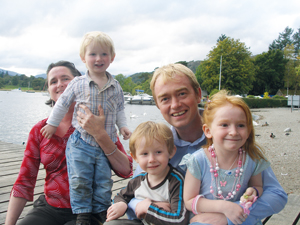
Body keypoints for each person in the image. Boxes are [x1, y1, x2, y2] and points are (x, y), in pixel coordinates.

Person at [130, 63, 287, 224]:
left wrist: (227, 215)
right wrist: (143, 204)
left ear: (198, 94)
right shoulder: (156, 145)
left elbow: (276, 194)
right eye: (165, 99)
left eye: (182, 93)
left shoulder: (230, 138)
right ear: (157, 105)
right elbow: (132, 191)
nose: (175, 104)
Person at [5, 61, 132, 225]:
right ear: (49, 90)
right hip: (51, 207)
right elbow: (24, 181)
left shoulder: (101, 123)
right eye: (53, 81)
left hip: (90, 212)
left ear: (79, 83)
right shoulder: (40, 130)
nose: (59, 85)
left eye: (65, 78)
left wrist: (100, 134)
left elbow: (126, 170)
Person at [41, 32, 131, 225]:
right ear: (83, 58)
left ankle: (99, 212)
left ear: (112, 58)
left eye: (104, 54)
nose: (98, 59)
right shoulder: (78, 83)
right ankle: (82, 214)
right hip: (81, 142)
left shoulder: (115, 86)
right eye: (93, 54)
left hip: (105, 144)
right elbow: (62, 104)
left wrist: (123, 126)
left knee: (103, 181)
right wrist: (52, 123)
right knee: (80, 178)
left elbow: (120, 109)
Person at [182, 90, 271, 225]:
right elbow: (189, 201)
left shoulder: (252, 159)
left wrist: (254, 192)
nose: (234, 132)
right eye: (224, 125)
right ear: (208, 131)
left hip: (239, 220)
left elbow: (258, 185)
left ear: (248, 131)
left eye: (240, 125)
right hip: (205, 221)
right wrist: (225, 207)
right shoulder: (198, 161)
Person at [105, 121, 188, 225]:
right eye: (144, 154)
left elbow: (180, 219)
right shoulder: (138, 180)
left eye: (158, 152)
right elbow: (121, 196)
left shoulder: (176, 181)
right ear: (135, 157)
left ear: (170, 152)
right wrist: (121, 203)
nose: (151, 159)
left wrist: (149, 208)